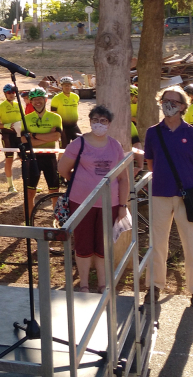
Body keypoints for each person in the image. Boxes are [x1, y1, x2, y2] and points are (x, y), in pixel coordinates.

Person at [142, 86, 193, 308]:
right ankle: (154, 286)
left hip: (186, 196)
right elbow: (151, 162)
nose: (168, 105)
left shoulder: (192, 133)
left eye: (174, 102)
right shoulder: (153, 132)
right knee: (157, 243)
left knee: (191, 243)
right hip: (159, 194)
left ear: (182, 107)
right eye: (165, 100)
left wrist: (186, 184)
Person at [58, 105, 129, 293]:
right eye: (95, 120)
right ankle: (84, 284)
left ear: (110, 124)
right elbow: (63, 169)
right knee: (83, 243)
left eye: (103, 121)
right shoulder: (78, 143)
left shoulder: (115, 146)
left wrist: (123, 205)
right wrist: (81, 182)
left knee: (103, 244)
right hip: (81, 203)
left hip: (109, 204)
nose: (99, 124)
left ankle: (103, 284)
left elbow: (123, 179)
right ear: (89, 122)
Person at [23, 88, 64, 217]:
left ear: (45, 100)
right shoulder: (26, 118)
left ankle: (57, 220)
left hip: (49, 157)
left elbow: (56, 136)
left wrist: (33, 135)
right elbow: (25, 140)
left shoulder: (55, 117)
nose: (37, 102)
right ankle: (29, 222)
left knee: (54, 191)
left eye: (40, 98)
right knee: (29, 193)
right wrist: (47, 136)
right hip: (32, 157)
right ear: (31, 102)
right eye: (34, 99)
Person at [0, 84, 23, 192]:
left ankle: (29, 183)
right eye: (9, 93)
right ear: (5, 94)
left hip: (19, 135)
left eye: (13, 92)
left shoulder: (18, 104)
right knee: (9, 160)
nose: (11, 95)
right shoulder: (1, 107)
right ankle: (11, 185)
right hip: (7, 136)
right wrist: (5, 125)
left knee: (25, 159)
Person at [50, 77, 82, 147]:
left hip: (74, 126)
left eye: (69, 85)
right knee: (64, 148)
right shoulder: (56, 98)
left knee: (81, 144)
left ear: (71, 85)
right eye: (65, 85)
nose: (67, 87)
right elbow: (53, 113)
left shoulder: (76, 96)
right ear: (61, 86)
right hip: (63, 128)